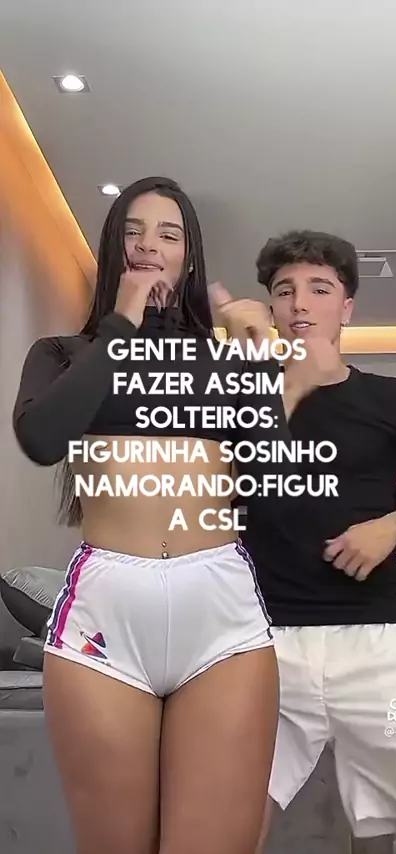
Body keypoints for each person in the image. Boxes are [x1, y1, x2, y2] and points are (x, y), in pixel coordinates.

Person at [11, 176, 302, 854]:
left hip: (219, 605)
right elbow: (41, 439)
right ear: (113, 250)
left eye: (168, 235)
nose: (149, 246)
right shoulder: (65, 354)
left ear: (188, 258)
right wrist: (120, 326)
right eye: (133, 232)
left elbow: (276, 484)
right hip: (106, 610)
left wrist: (261, 365)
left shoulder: (223, 359)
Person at [240, 230, 396, 854]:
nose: (300, 303)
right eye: (285, 291)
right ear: (272, 309)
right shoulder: (239, 402)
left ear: (346, 307)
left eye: (319, 289)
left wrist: (395, 525)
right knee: (227, 832)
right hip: (263, 649)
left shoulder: (393, 398)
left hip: (380, 652)